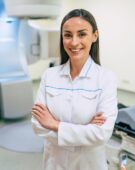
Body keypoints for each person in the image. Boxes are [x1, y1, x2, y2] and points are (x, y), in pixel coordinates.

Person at [31, 9, 118, 170]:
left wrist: (55, 124)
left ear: (94, 36)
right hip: (54, 163)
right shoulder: (49, 76)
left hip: (89, 164)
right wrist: (85, 131)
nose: (74, 42)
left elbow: (101, 134)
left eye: (82, 34)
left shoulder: (106, 78)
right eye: (68, 35)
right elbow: (37, 125)